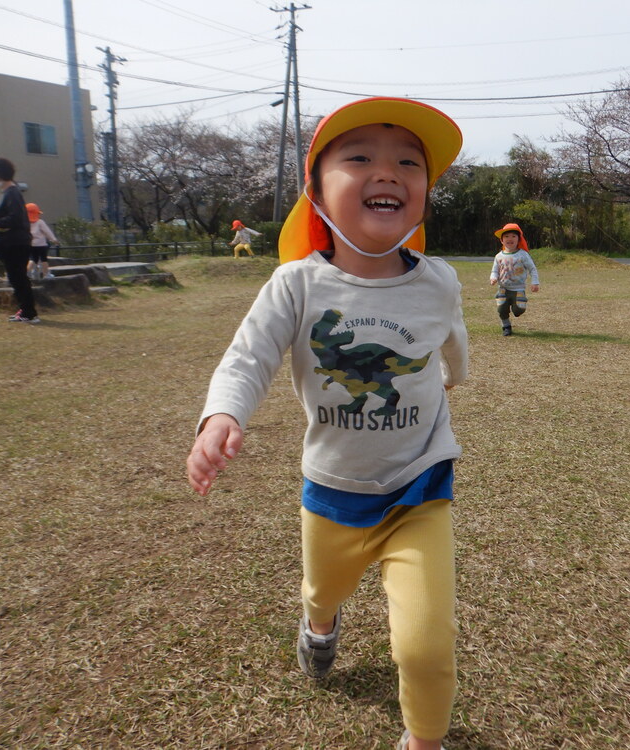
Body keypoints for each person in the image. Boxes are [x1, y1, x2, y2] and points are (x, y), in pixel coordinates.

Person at [186, 97, 467, 750]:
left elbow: (450, 339)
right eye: (360, 157)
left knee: (425, 645)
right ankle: (318, 624)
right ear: (314, 191)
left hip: (419, 486)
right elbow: (249, 356)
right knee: (322, 591)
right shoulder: (296, 285)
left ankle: (424, 740)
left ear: (424, 192)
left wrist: (456, 372)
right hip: (334, 489)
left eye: (408, 162)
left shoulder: (440, 281)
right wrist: (220, 415)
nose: (388, 172)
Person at [0, 157, 39, 323]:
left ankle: (29, 312)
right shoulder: (9, 193)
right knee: (17, 278)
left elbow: (15, 218)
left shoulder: (12, 193)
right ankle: (26, 310)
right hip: (11, 243)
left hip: (15, 243)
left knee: (18, 278)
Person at [489, 223, 539, 337]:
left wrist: (535, 282)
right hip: (503, 288)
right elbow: (494, 270)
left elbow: (532, 269)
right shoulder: (498, 256)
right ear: (502, 240)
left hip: (518, 288)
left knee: (518, 310)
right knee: (501, 309)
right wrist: (493, 278)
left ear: (519, 239)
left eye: (513, 236)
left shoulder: (523, 255)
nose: (510, 239)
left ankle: (516, 306)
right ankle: (506, 327)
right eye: (506, 236)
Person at [26, 203, 59, 281]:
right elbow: (47, 232)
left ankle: (26, 272)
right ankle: (46, 274)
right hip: (41, 244)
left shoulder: (25, 223)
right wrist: (54, 240)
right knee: (44, 259)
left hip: (31, 244)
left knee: (32, 259)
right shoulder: (40, 222)